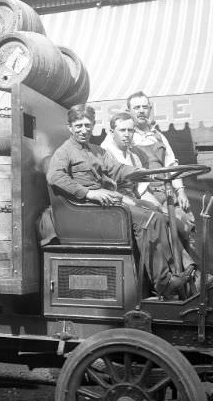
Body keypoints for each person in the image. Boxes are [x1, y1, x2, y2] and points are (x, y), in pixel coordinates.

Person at [47, 104, 195, 298]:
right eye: (79, 126)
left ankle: (171, 274)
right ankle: (164, 285)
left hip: (104, 207)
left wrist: (148, 175)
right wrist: (88, 193)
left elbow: (118, 170)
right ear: (70, 127)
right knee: (148, 220)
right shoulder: (64, 152)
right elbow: (54, 177)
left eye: (88, 125)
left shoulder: (97, 151)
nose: (84, 130)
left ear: (93, 126)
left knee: (157, 217)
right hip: (87, 211)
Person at [127, 91, 197, 255]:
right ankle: (185, 270)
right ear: (129, 111)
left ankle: (193, 271)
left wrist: (180, 191)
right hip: (144, 195)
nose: (141, 111)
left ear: (150, 109)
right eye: (136, 107)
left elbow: (171, 164)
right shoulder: (126, 136)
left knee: (187, 222)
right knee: (171, 224)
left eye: (145, 107)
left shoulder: (159, 136)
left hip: (167, 192)